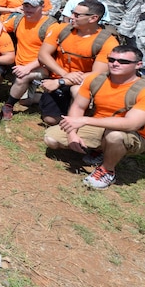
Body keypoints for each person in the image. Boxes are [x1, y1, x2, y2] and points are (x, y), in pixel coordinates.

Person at [43, 45, 145, 189]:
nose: (115, 64)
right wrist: (72, 134)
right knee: (51, 139)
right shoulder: (96, 79)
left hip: (133, 134)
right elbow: (78, 107)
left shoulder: (142, 88)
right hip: (98, 125)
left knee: (115, 135)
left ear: (138, 65)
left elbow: (131, 124)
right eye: (112, 59)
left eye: (123, 62)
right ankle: (101, 150)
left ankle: (107, 170)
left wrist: (84, 120)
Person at [36, 0, 116, 125]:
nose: (71, 17)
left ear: (93, 18)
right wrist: (64, 74)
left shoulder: (108, 42)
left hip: (83, 83)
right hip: (59, 78)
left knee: (77, 90)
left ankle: (77, 119)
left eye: (77, 15)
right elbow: (43, 54)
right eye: (73, 13)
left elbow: (97, 73)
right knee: (50, 120)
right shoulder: (61, 29)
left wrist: (62, 81)